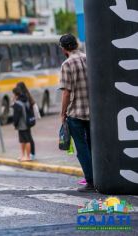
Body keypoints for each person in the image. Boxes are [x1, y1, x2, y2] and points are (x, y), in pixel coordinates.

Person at [59, 33, 94, 192]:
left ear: (63, 48)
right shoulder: (89, 58)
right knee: (93, 146)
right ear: (77, 44)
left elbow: (66, 92)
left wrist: (62, 113)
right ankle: (99, 176)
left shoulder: (67, 64)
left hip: (76, 113)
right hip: (94, 112)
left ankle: (91, 181)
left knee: (82, 148)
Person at [16, 82, 38, 159]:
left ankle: (30, 154)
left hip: (26, 120)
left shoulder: (24, 97)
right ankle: (30, 154)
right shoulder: (27, 95)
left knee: (27, 138)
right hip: (29, 120)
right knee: (28, 137)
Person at [12, 86, 34, 162]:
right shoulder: (26, 99)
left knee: (25, 140)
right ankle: (23, 155)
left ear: (15, 94)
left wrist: (15, 124)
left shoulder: (17, 103)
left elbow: (16, 116)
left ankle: (27, 156)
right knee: (24, 140)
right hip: (28, 123)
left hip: (22, 125)